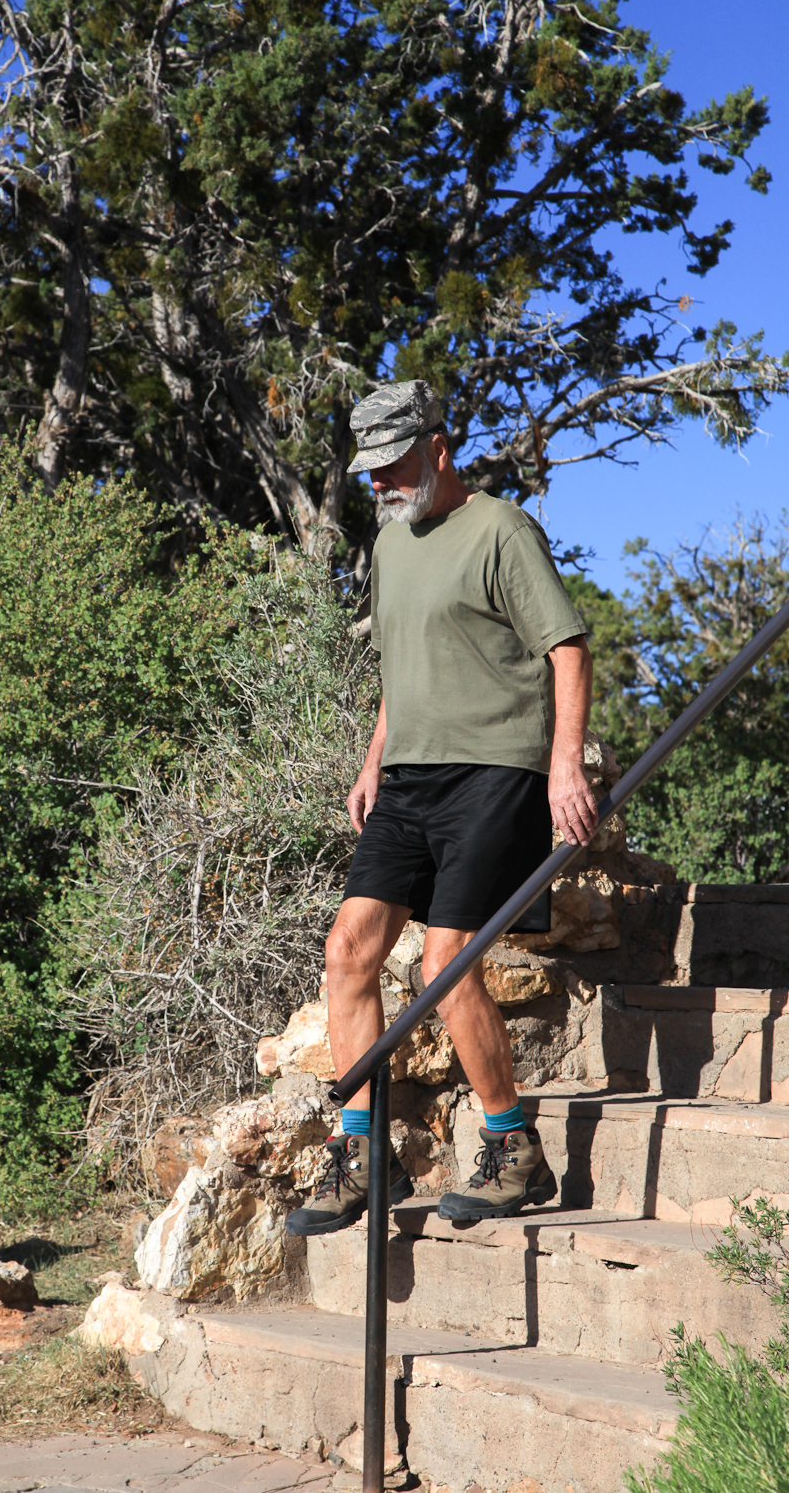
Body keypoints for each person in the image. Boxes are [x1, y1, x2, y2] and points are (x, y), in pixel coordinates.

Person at [286, 380, 597, 1238]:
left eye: (393, 464)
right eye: (371, 471)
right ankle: (363, 1155)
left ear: (440, 447)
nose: (381, 483)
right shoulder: (390, 545)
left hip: (495, 772)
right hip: (409, 779)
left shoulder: (500, 528)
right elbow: (402, 665)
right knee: (347, 950)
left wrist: (563, 765)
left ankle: (513, 1148)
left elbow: (566, 650)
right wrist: (373, 757)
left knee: (445, 964)